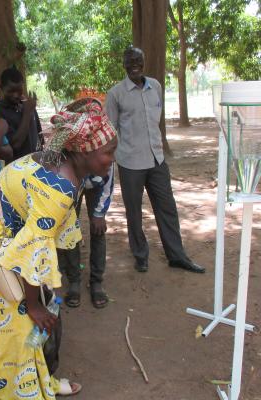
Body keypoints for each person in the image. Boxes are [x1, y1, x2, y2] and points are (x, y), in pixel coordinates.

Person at [0, 98, 117, 399]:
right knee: (8, 327)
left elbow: (37, 239)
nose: (114, 158)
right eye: (109, 152)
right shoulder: (58, 190)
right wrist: (35, 305)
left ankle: (38, 381)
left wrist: (40, 295)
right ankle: (14, 391)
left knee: (23, 318)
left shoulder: (56, 160)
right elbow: (30, 253)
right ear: (81, 151)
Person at [106, 47, 205, 273]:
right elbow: (110, 130)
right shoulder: (116, 94)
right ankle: (140, 255)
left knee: (167, 208)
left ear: (144, 61)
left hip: (157, 160)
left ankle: (177, 256)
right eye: (130, 60)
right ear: (124, 64)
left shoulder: (156, 87)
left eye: (138, 60)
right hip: (130, 162)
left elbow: (155, 122)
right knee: (134, 212)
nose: (134, 64)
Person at [59, 163, 114, 309]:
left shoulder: (103, 150)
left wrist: (99, 214)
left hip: (97, 183)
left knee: (98, 229)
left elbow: (108, 183)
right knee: (69, 229)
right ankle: (74, 280)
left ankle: (96, 281)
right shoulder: (69, 154)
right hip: (72, 180)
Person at [0, 67, 43, 160]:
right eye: (11, 91)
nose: (16, 95)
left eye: (19, 90)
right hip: (18, 168)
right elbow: (15, 145)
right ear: (1, 88)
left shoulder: (27, 105)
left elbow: (39, 135)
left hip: (37, 161)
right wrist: (27, 113)